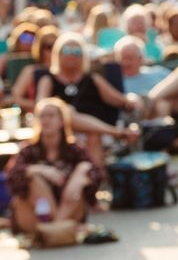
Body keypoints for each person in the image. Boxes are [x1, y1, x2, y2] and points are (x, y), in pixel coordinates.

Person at [36, 32, 139, 165]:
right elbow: (41, 105)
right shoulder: (48, 79)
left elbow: (119, 99)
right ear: (58, 53)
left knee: (93, 135)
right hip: (63, 130)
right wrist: (62, 109)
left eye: (77, 51)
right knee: (67, 113)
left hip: (95, 131)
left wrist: (134, 100)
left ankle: (94, 179)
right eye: (67, 50)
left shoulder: (93, 79)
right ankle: (116, 133)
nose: (72, 54)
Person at [6, 98, 104, 235]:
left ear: (61, 121)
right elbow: (12, 177)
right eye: (42, 116)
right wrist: (37, 169)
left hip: (69, 210)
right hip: (35, 216)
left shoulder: (74, 150)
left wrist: (80, 178)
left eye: (51, 116)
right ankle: (57, 229)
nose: (45, 120)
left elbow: (97, 173)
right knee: (33, 178)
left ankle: (52, 230)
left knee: (83, 170)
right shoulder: (28, 150)